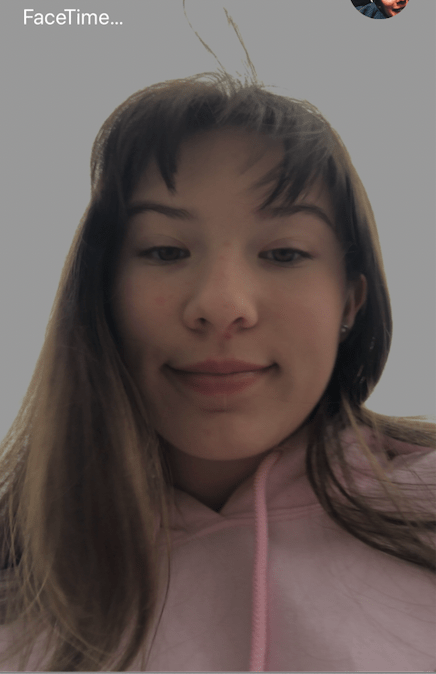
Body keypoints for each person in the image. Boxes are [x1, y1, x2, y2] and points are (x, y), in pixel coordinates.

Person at [0, 71, 434, 672]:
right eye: (166, 251)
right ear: (103, 293)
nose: (223, 305)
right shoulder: (21, 588)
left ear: (350, 302)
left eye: (284, 253)